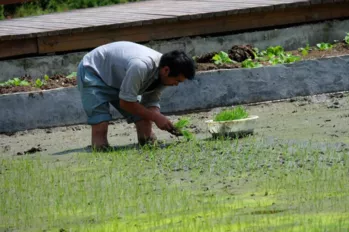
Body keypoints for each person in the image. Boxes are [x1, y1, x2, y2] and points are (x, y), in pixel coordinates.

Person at [77, 41, 196, 149]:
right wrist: (156, 117)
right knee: (100, 127)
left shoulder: (166, 71)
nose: (176, 84)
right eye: (177, 81)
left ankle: (146, 142)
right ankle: (99, 149)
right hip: (94, 71)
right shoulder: (141, 66)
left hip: (120, 76)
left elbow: (151, 100)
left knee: (145, 122)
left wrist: (157, 116)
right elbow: (126, 103)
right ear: (166, 70)